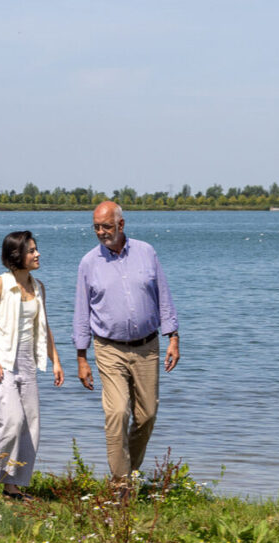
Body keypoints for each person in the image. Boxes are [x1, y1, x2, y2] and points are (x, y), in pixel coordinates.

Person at [73, 201, 179, 489]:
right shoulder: (88, 263)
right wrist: (81, 357)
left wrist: (173, 336)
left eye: (106, 226)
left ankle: (128, 469)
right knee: (117, 411)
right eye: (96, 226)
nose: (100, 232)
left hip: (148, 346)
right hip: (108, 348)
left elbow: (164, 295)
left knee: (147, 415)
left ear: (121, 224)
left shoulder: (146, 252)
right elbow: (82, 312)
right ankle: (121, 484)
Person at [0, 231, 64, 499]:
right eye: (31, 251)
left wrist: (56, 361)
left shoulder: (39, 288)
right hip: (0, 361)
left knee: (29, 425)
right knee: (11, 419)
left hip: (28, 362)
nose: (37, 254)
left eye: (37, 249)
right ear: (17, 256)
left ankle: (12, 486)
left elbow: (44, 327)